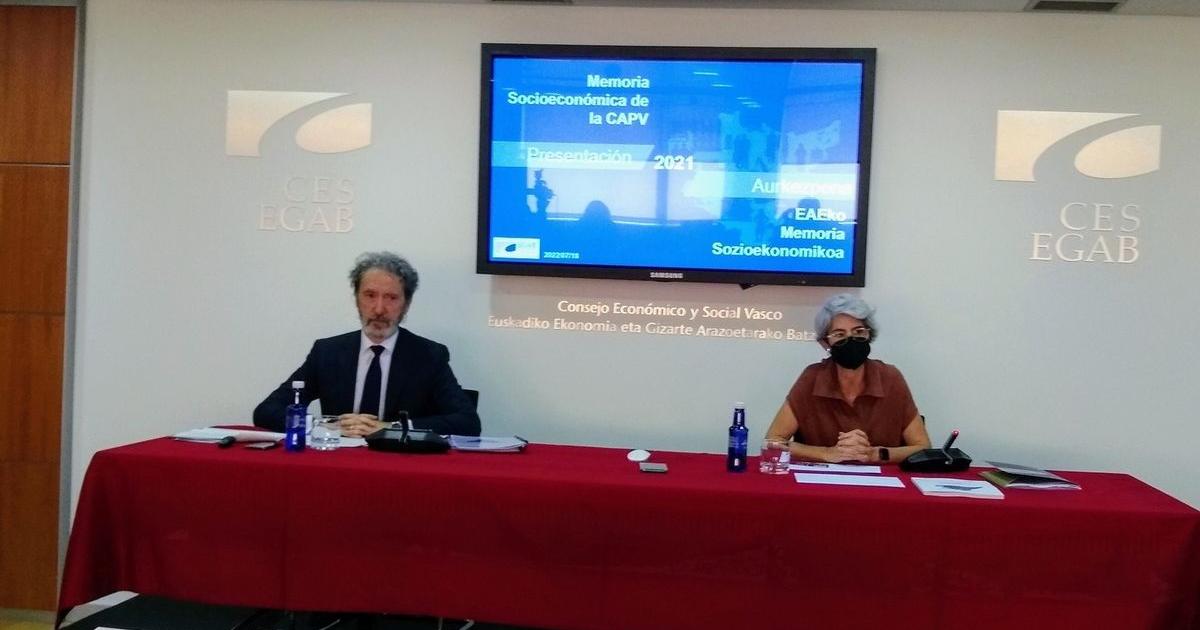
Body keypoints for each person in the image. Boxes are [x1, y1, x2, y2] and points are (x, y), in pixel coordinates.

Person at [253, 251, 480, 437]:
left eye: (391, 298)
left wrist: (392, 428)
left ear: (407, 304)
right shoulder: (327, 352)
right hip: (339, 462)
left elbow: (467, 421)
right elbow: (266, 411)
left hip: (399, 464)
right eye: (370, 295)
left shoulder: (428, 355)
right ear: (356, 299)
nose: (379, 309)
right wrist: (325, 425)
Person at [764, 293, 929, 464]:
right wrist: (827, 453)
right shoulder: (812, 378)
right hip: (823, 478)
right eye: (839, 334)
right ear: (825, 343)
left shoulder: (890, 378)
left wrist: (875, 454)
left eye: (858, 331)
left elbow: (922, 448)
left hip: (880, 478)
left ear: (869, 335)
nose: (850, 340)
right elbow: (772, 442)